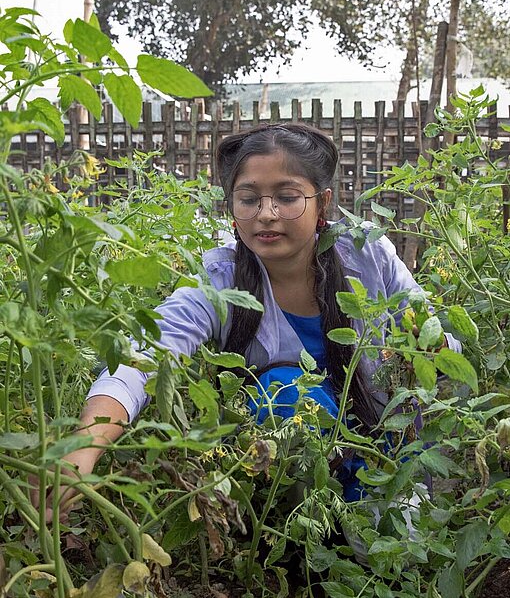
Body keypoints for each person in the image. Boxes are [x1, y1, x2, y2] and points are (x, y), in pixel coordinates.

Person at [34, 123, 460, 520]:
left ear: (323, 203)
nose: (266, 213)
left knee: (400, 553)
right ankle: (308, 531)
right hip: (294, 467)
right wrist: (83, 445)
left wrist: (429, 346)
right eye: (249, 198)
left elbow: (433, 333)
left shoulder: (366, 254)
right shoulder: (223, 280)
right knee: (286, 394)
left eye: (288, 197)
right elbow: (145, 354)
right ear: (232, 207)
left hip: (387, 439)